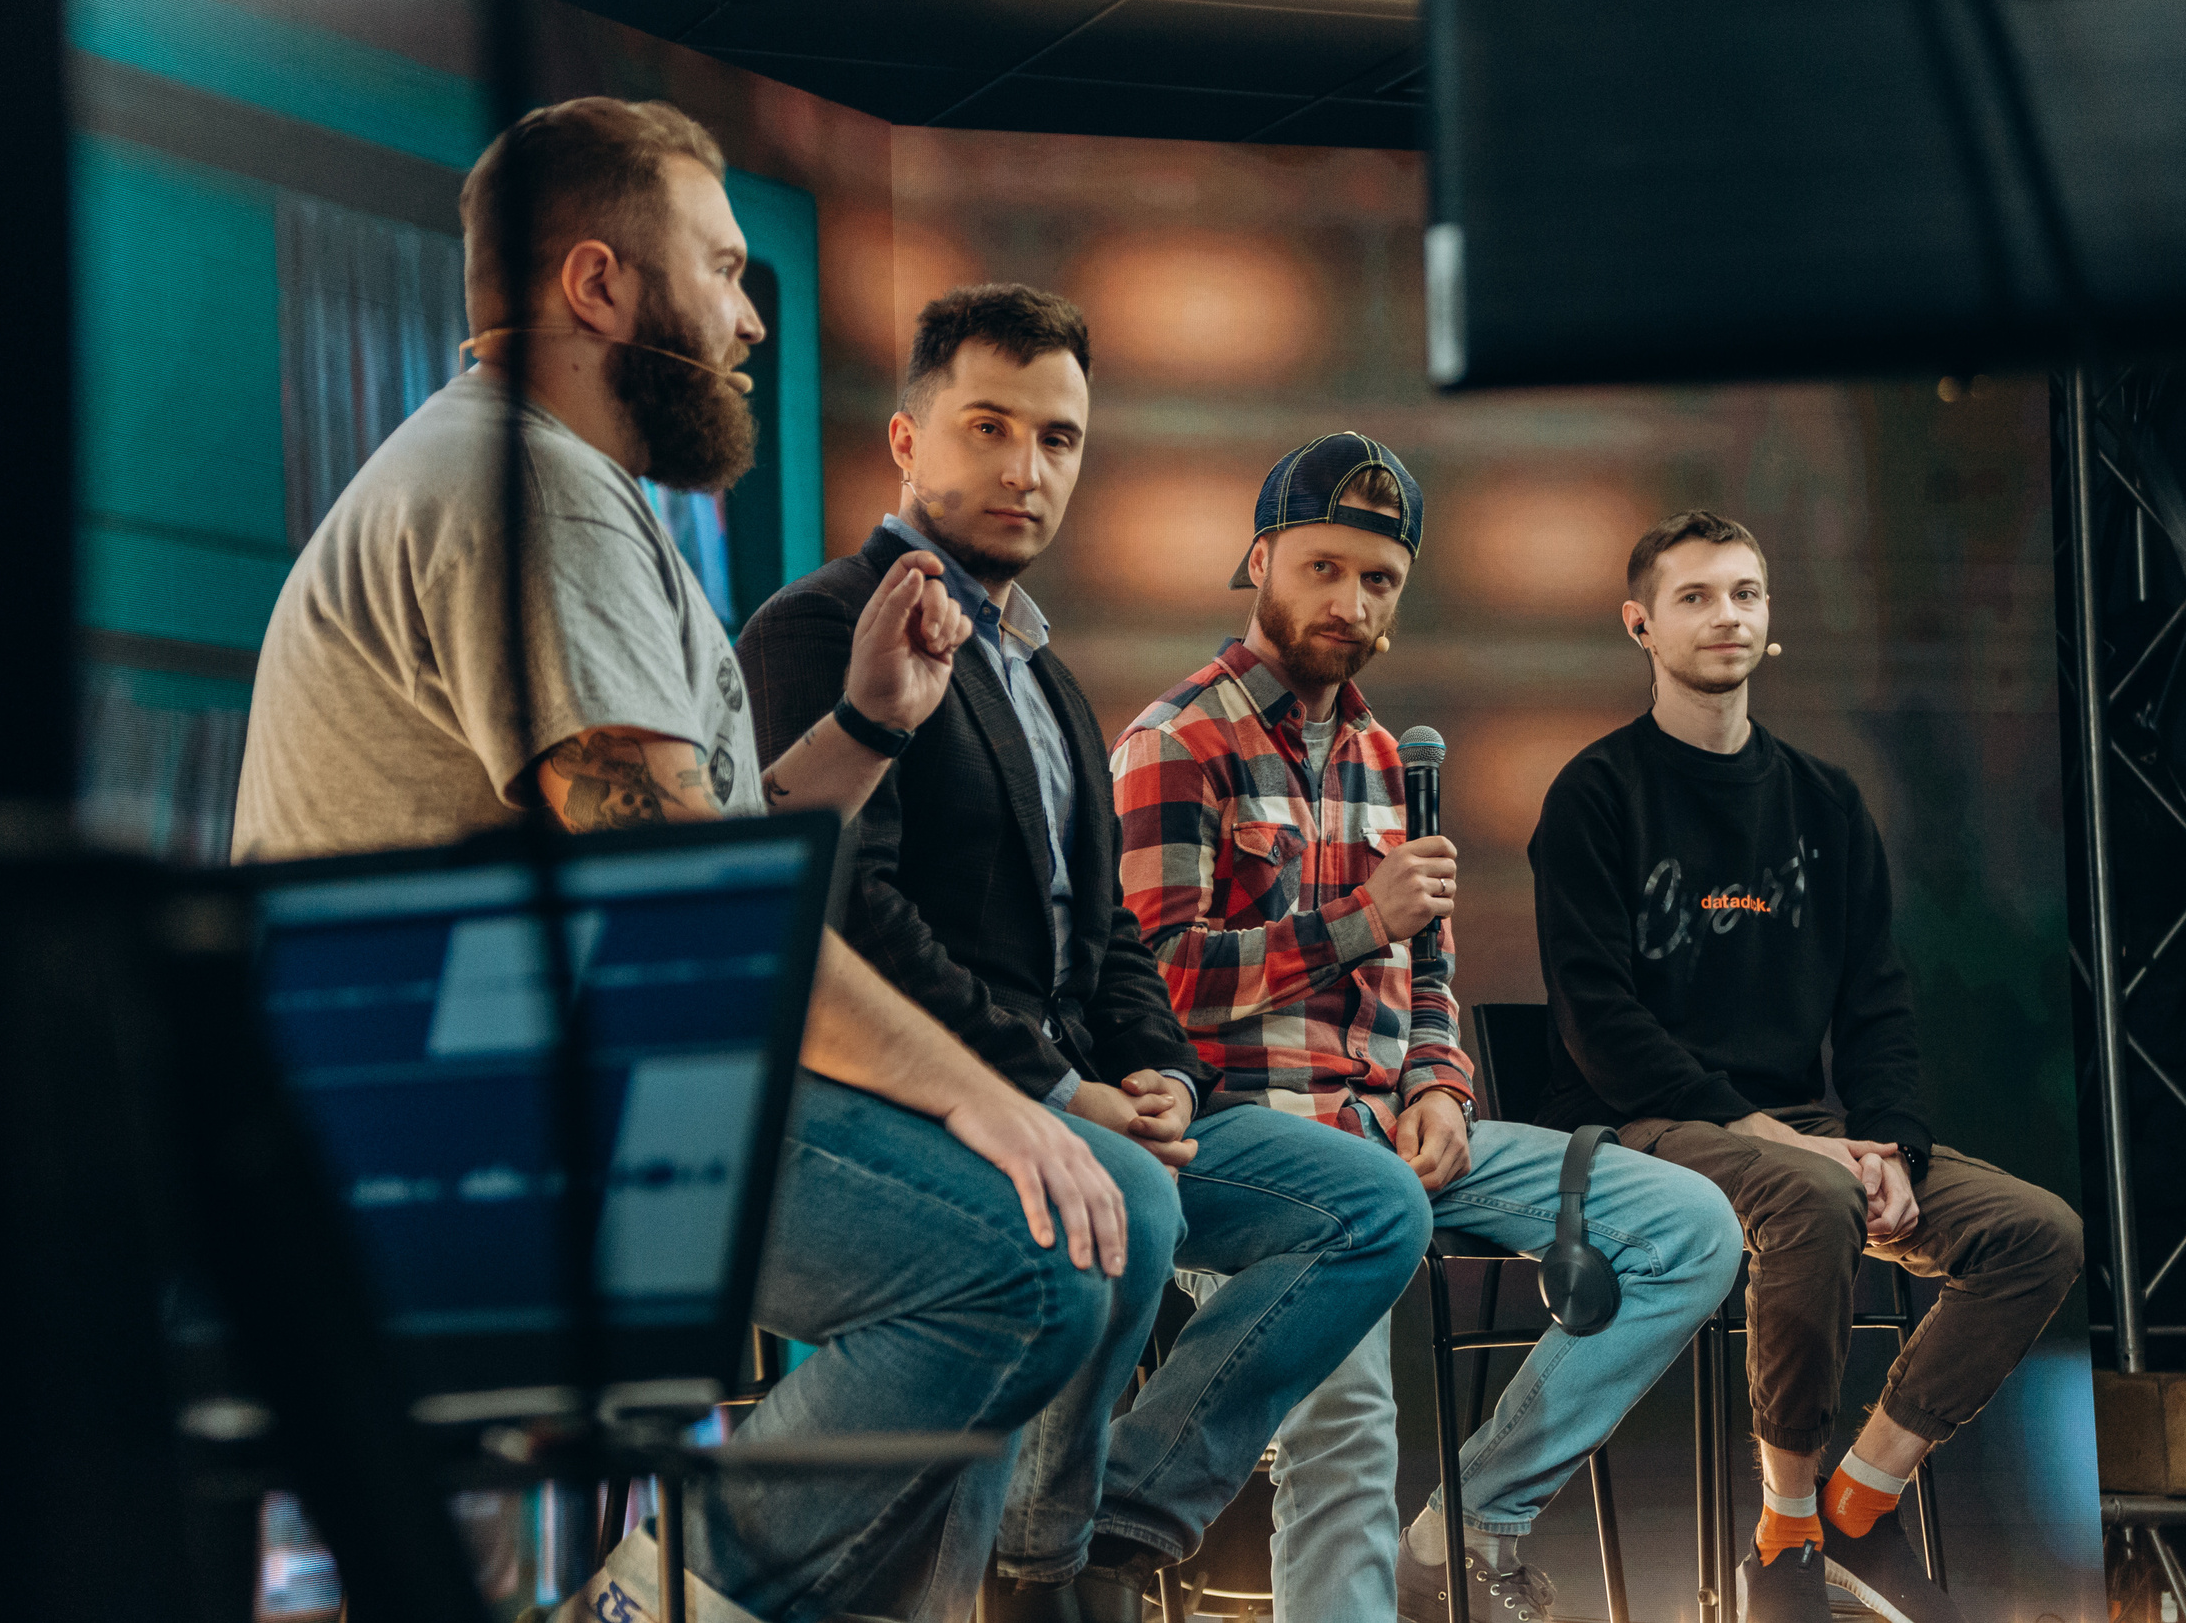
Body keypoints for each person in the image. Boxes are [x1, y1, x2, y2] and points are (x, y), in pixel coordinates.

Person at [233, 98, 1182, 1623]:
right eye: (727, 270)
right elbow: (683, 913)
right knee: (1028, 1259)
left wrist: (865, 727)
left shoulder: (567, 488)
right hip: (481, 1112)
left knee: (1064, 1228)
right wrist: (984, 1094)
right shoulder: (527, 490)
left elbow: (706, 858)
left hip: (550, 1073)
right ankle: (654, 1606)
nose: (750, 319)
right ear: (600, 284)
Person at [737, 288, 1433, 1622]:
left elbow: (1108, 928)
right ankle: (1040, 1578)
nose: (1026, 467)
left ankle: (1107, 1527)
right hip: (916, 1095)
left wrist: (1158, 1066)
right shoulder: (819, 627)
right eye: (988, 426)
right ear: (906, 439)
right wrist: (1063, 1093)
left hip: (1093, 1090)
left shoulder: (1046, 674)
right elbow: (848, 915)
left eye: (1056, 437)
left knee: (1373, 1206)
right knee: (1125, 1203)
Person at [1109, 434, 1743, 1623]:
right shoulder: (1175, 742)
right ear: (1260, 560)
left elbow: (1430, 975)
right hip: (1250, 1152)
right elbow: (1150, 987)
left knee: (1689, 1227)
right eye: (1323, 568)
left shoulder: (1386, 757)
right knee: (1348, 1411)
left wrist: (1439, 1086)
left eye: (1379, 579)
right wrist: (1357, 922)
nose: (1350, 602)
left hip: (1390, 1133)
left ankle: (1463, 1525)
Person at [1528, 509, 2086, 1623]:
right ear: (1641, 625)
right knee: (1812, 1193)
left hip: (1801, 1136)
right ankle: (1782, 1541)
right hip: (1641, 1128)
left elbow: (1876, 1007)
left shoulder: (1825, 801)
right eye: (1694, 596)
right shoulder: (1596, 793)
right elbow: (1600, 1025)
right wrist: (1780, 1138)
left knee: (2039, 1233)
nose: (1725, 615)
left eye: (1745, 593)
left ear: (1769, 616)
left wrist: (1895, 1149)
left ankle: (1859, 1507)